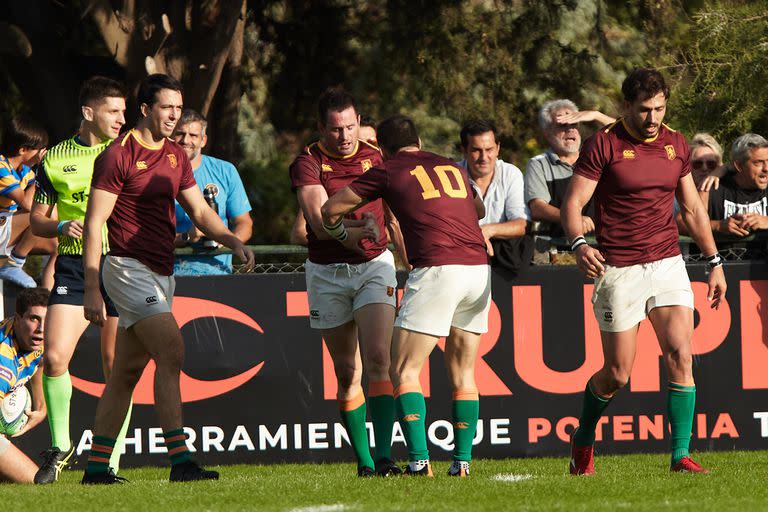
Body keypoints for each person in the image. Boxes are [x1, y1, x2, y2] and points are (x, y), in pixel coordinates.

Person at [79, 73, 254, 484]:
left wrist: (230, 239)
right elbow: (93, 224)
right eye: (166, 107)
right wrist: (91, 287)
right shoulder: (118, 155)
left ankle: (95, 468)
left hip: (161, 273)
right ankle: (180, 462)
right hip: (125, 267)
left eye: (178, 107)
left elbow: (199, 212)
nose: (174, 115)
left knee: (124, 374)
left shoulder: (175, 155)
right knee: (172, 350)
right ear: (145, 109)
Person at [562, 68, 727, 475]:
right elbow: (573, 205)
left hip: (668, 262)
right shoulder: (604, 144)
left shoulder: (676, 143)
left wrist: (714, 262)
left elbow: (691, 210)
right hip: (618, 269)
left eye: (659, 108)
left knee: (681, 353)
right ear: (625, 107)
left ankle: (680, 455)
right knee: (617, 374)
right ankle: (583, 437)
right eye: (644, 110)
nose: (653, 118)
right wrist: (579, 244)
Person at [321, 114, 490, 478]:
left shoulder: (387, 169)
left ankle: (419, 461)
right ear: (418, 139)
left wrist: (342, 233)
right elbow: (480, 210)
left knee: (404, 370)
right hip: (478, 268)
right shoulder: (451, 166)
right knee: (464, 372)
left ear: (382, 148)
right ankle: (461, 463)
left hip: (438, 267)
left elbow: (329, 208)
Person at [289, 89, 405, 477]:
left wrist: (413, 260)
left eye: (351, 127)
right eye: (336, 129)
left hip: (375, 265)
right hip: (327, 272)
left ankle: (385, 456)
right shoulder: (307, 163)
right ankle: (365, 462)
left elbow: (393, 218)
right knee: (345, 372)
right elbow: (318, 223)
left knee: (378, 359)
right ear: (322, 128)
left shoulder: (377, 156)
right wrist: (353, 231)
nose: (345, 136)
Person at [29, 76, 131, 484]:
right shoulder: (53, 158)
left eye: (124, 111)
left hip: (121, 265)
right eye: (114, 111)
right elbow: (38, 220)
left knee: (115, 366)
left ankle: (111, 459)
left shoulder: (128, 153)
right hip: (72, 266)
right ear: (89, 113)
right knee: (53, 358)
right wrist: (60, 226)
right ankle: (61, 448)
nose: (122, 119)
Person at [172, 109, 253, 275]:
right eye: (180, 133)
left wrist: (227, 240)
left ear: (204, 140)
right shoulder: (159, 172)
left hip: (218, 272)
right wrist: (186, 237)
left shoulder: (225, 171)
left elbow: (244, 222)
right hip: (170, 274)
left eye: (193, 135)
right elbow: (148, 235)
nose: (186, 140)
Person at [524, 100, 614, 238]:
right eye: (563, 125)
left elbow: (628, 136)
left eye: (574, 124)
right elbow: (538, 208)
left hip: (605, 245)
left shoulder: (596, 156)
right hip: (560, 250)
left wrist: (596, 115)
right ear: (547, 134)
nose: (570, 129)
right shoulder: (539, 164)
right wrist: (573, 219)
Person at [290, 115, 379, 246]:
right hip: (333, 263)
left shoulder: (381, 173)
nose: (364, 147)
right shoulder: (323, 182)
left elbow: (394, 225)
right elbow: (299, 234)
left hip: (378, 261)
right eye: (360, 142)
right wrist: (355, 233)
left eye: (371, 143)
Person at [0, 287, 50, 484]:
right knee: (36, 481)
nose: (41, 328)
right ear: (18, 318)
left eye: (46, 319)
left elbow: (40, 362)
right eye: (34, 318)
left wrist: (41, 407)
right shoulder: (4, 360)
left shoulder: (39, 337)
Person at [459, 120, 529, 257]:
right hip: (461, 255)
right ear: (464, 151)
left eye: (489, 149)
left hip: (502, 260)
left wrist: (487, 230)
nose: (484, 157)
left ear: (498, 148)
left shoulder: (511, 174)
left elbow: (521, 224)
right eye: (476, 150)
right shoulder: (452, 175)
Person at [0, 117, 54, 288]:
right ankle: (14, 263)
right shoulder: (1, 167)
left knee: (58, 245)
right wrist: (42, 171)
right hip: (2, 226)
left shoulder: (25, 171)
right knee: (40, 214)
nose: (41, 154)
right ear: (23, 149)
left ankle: (47, 301)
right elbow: (28, 204)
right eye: (38, 149)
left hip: (8, 229)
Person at [701, 133, 768, 256]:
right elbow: (682, 221)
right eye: (758, 162)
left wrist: (766, 221)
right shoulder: (714, 188)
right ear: (738, 165)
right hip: (724, 268)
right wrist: (718, 225)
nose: (766, 168)